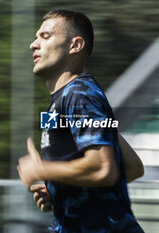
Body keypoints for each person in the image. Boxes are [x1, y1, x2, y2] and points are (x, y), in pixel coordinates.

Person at [17, 9, 145, 233]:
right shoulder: (67, 100)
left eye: (45, 36)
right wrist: (61, 190)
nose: (33, 44)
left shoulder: (79, 95)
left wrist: (43, 170)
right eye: (36, 37)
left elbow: (103, 169)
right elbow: (132, 167)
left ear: (75, 45)